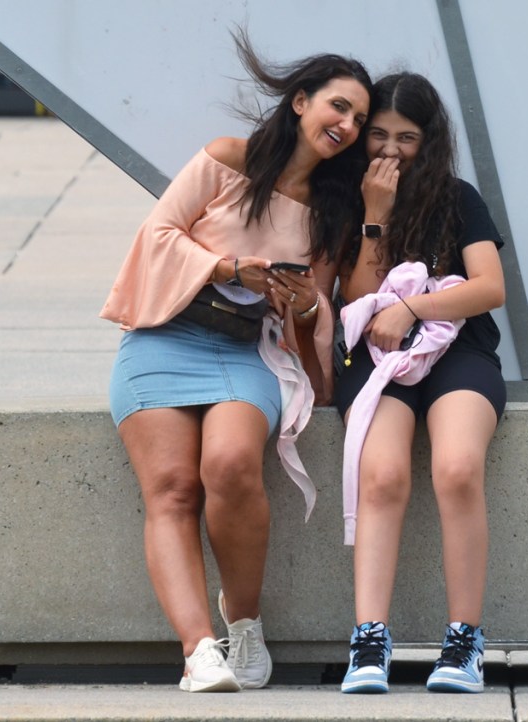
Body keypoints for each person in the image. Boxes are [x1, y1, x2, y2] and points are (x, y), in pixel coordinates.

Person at [100, 32, 371, 693]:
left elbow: (320, 315)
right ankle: (199, 653)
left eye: (359, 119)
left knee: (227, 464)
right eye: (339, 107)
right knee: (172, 488)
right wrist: (228, 268)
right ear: (300, 101)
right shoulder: (226, 159)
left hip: (248, 351)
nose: (348, 125)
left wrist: (306, 305)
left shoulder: (334, 213)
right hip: (164, 339)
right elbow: (157, 235)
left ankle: (241, 621)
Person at [335, 72, 506, 694]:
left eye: (405, 137)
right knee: (382, 475)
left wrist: (414, 308)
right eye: (377, 134)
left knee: (457, 467)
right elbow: (354, 301)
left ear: (428, 140)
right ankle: (369, 639)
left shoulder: (458, 198)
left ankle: (464, 641)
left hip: (458, 352)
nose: (388, 150)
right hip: (378, 358)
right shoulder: (346, 198)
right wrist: (375, 216)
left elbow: (490, 288)